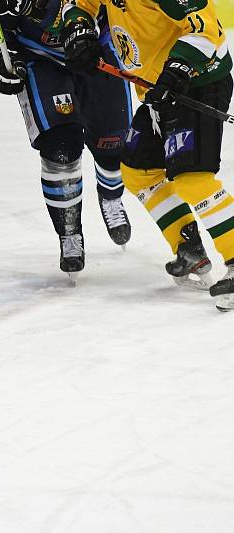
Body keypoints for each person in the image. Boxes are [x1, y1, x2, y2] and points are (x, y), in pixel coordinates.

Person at [61, 0, 234, 310]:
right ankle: (188, 247)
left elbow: (206, 28)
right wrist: (78, 28)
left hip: (199, 81)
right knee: (138, 170)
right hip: (158, 90)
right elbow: (78, 4)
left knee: (192, 178)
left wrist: (179, 68)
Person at [0, 0, 133, 279]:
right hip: (38, 56)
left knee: (113, 144)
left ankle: (111, 196)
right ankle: (69, 231)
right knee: (60, 149)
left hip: (95, 45)